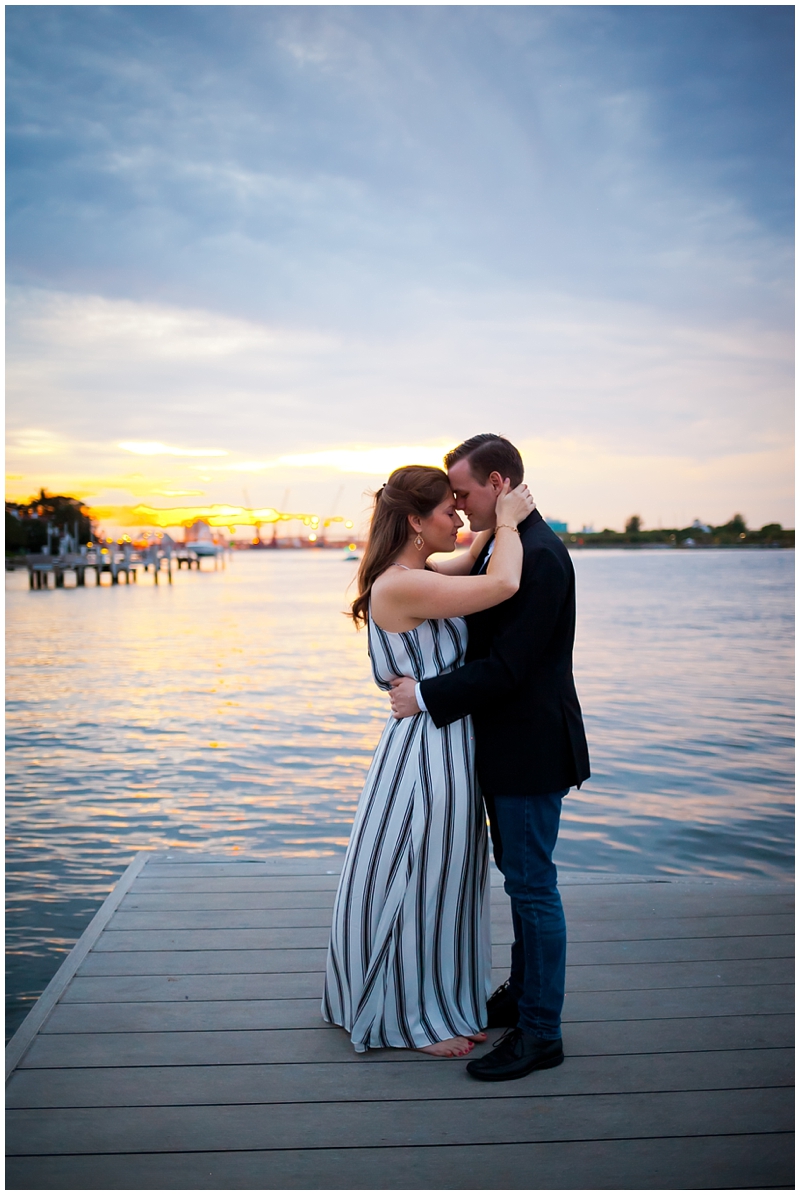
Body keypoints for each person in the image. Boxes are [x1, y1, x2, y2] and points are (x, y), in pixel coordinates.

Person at [389, 434, 590, 1082]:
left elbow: (505, 668)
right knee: (519, 876)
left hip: (531, 748)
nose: (458, 501)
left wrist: (423, 695)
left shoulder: (540, 557)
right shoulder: (506, 546)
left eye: (465, 491)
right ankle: (520, 994)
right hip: (505, 746)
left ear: (498, 484)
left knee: (533, 885)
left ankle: (541, 1033)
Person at [322, 464, 535, 1057]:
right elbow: (502, 586)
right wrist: (511, 523)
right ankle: (409, 1017)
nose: (460, 518)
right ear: (416, 521)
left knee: (443, 877)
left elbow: (469, 563)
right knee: (422, 878)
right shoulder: (401, 584)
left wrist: (491, 520)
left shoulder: (416, 573)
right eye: (449, 511)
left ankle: (437, 999)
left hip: (441, 742)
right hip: (427, 754)